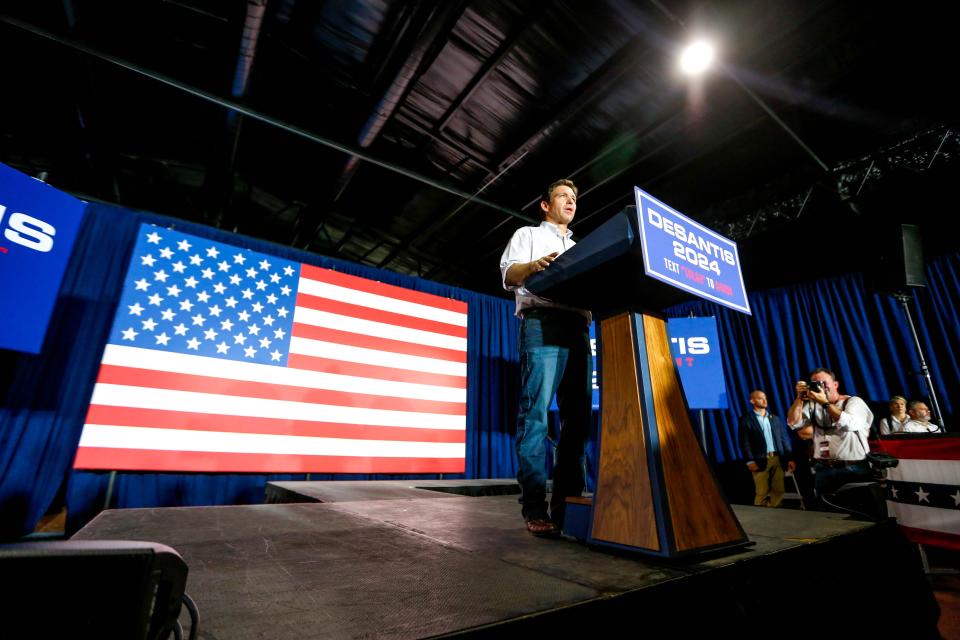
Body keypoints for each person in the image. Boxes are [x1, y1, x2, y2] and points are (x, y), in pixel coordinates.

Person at [499, 179, 592, 537]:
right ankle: (535, 507)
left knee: (577, 422)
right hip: (542, 323)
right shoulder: (527, 235)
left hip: (578, 330)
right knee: (536, 415)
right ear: (545, 204)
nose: (570, 201)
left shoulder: (580, 245)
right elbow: (509, 275)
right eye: (563, 196)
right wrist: (534, 266)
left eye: (574, 197)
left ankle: (568, 508)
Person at [787, 368, 873, 501]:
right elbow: (793, 422)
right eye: (815, 383)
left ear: (835, 384)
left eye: (823, 382)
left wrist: (825, 403)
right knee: (827, 515)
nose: (820, 386)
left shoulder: (853, 402)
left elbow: (850, 424)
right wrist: (799, 399)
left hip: (853, 468)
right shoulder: (813, 405)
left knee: (858, 511)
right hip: (823, 469)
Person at [738, 390, 796, 507]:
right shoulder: (747, 419)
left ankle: (775, 517)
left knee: (779, 490)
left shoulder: (775, 418)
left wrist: (790, 458)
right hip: (760, 460)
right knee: (762, 491)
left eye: (765, 398)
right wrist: (750, 461)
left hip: (778, 459)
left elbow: (784, 439)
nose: (764, 401)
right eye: (760, 398)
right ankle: (760, 520)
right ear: (752, 401)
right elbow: (745, 442)